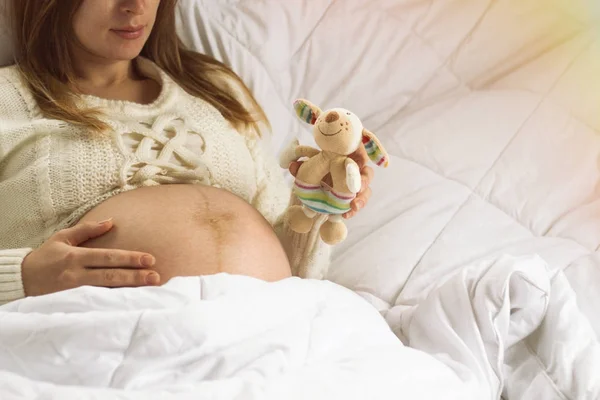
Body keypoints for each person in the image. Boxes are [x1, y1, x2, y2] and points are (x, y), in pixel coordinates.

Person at [0, 0, 374, 305]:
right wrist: (24, 276)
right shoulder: (7, 100)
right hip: (105, 337)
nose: (136, 6)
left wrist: (318, 204)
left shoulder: (215, 88)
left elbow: (296, 268)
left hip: (267, 327)